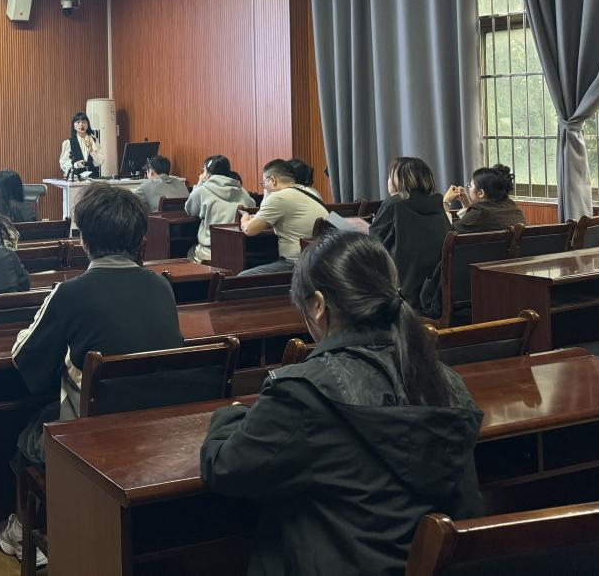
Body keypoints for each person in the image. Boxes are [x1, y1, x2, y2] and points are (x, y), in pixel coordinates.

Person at [200, 231, 483, 575]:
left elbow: (226, 468)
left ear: (318, 306)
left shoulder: (303, 393)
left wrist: (228, 416)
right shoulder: (444, 381)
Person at [0, 184, 182, 566]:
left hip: (92, 441)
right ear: (141, 238)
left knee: (25, 436)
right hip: (158, 432)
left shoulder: (69, 293)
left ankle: (24, 531)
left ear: (83, 239)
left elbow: (24, 357)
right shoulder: (162, 286)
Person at [370, 157, 450, 309]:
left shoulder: (393, 204)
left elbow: (373, 246)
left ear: (398, 181)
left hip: (404, 296)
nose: (387, 181)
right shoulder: (437, 203)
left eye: (390, 177)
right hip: (435, 292)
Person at [237, 159, 328, 275]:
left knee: (241, 278)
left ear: (272, 180)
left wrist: (245, 217)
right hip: (321, 260)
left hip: (296, 263)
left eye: (264, 183)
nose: (264, 187)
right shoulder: (310, 192)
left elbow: (249, 230)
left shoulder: (278, 197)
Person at [185, 155, 256, 263]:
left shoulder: (202, 191)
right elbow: (252, 207)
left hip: (211, 252)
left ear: (207, 173)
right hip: (238, 250)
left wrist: (199, 184)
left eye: (203, 170)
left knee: (189, 251)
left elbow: (190, 210)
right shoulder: (241, 191)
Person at [444, 164, 527, 233]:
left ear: (481, 193)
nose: (468, 188)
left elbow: (446, 232)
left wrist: (445, 203)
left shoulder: (479, 213)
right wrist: (467, 205)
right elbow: (471, 226)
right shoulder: (512, 206)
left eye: (470, 186)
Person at [58, 111, 106, 178]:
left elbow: (100, 161)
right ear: (74, 126)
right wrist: (76, 164)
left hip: (93, 178)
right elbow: (63, 163)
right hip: (76, 178)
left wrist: (91, 151)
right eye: (78, 122)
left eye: (84, 122)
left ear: (87, 125)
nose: (81, 124)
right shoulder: (68, 143)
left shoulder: (94, 141)